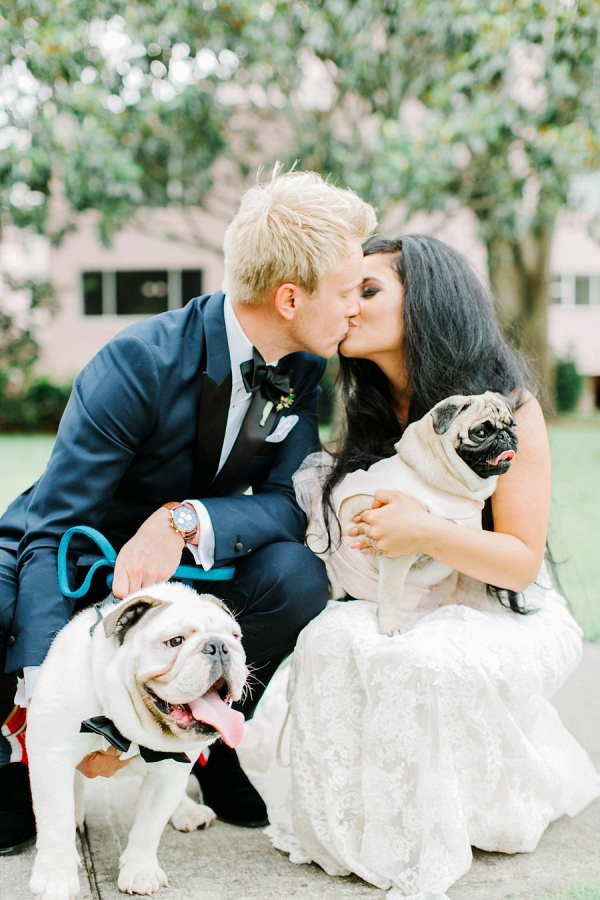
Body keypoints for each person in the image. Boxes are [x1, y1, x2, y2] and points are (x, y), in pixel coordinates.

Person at [0, 168, 377, 853]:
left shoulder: (299, 370)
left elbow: (291, 504)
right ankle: (16, 752)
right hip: (72, 550)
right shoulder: (136, 363)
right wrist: (45, 700)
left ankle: (207, 737)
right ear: (289, 298)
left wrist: (186, 520)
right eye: (349, 292)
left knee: (295, 576)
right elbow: (52, 528)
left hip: (178, 563)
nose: (357, 308)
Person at [254, 235, 600, 900]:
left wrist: (423, 530)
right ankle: (357, 828)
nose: (347, 308)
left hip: (501, 607)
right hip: (407, 600)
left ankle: (449, 826)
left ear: (430, 305)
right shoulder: (372, 407)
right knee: (328, 641)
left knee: (425, 664)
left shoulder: (506, 409)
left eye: (369, 291)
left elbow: (521, 564)